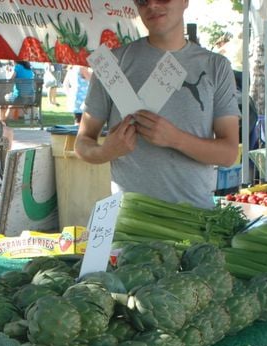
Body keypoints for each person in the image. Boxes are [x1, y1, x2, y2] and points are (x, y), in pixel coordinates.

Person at [75, 0, 239, 209]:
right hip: (129, 224)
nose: (152, 5)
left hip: (195, 221)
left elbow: (229, 153)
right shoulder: (112, 65)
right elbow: (82, 141)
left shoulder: (216, 66)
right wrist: (105, 151)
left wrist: (176, 139)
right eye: (142, 1)